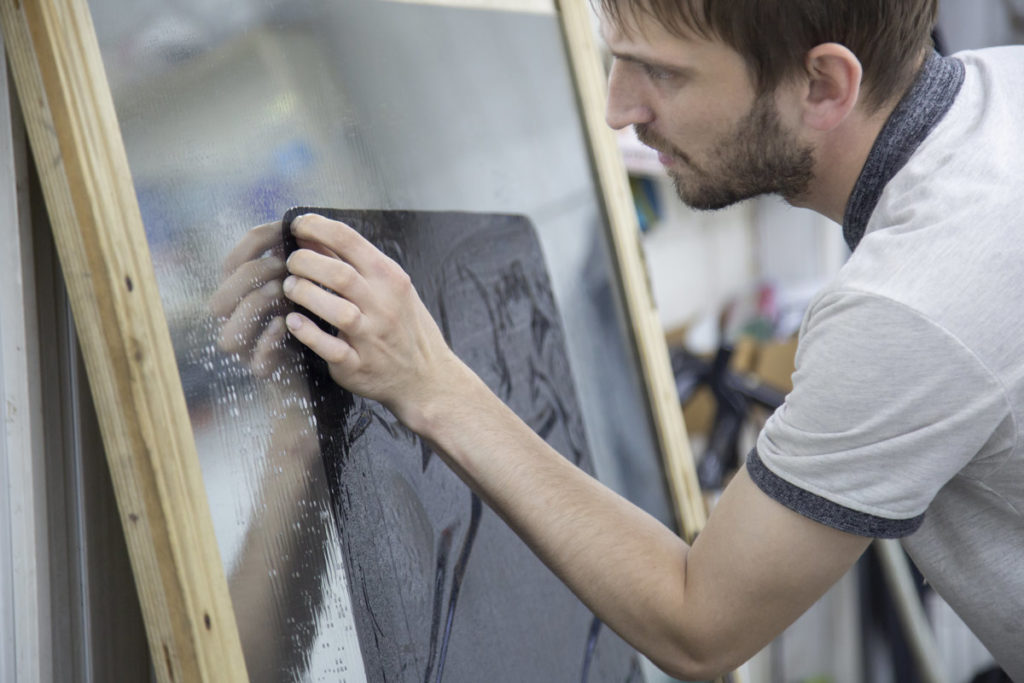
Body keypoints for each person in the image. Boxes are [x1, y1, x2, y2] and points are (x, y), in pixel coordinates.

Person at [273, 1, 1024, 678]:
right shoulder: (1002, 92)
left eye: (660, 72)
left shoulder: (908, 303)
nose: (616, 108)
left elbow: (700, 625)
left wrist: (430, 383)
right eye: (615, 58)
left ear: (824, 85)